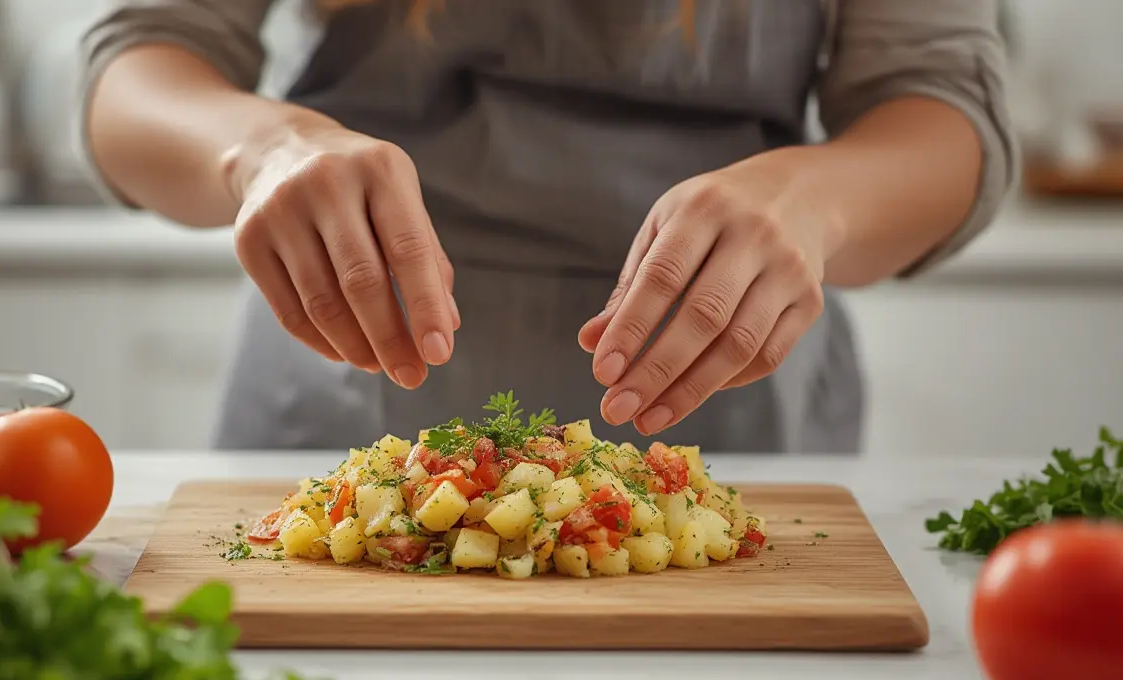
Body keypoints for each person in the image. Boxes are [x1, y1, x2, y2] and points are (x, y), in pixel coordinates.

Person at [78, 0, 1014, 452]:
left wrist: (817, 198)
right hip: (340, 400)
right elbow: (137, 66)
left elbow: (941, 108)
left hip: (731, 413)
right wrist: (262, 149)